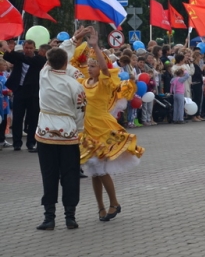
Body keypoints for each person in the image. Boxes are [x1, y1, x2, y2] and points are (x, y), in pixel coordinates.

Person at [76, 28, 145, 222]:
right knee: (93, 173)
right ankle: (100, 208)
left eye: (94, 65)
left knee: (102, 169)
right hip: (87, 129)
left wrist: (96, 46)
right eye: (89, 65)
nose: (90, 68)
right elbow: (72, 63)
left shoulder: (104, 82)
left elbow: (106, 69)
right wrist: (77, 39)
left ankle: (114, 202)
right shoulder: (83, 82)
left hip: (103, 129)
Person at [33, 47, 86, 230]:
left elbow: (55, 57)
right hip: (68, 134)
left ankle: (49, 217)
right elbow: (80, 112)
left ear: (48, 62)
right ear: (66, 63)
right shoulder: (75, 85)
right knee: (70, 174)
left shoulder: (44, 76)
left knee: (49, 174)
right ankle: (70, 216)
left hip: (45, 133)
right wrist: (78, 130)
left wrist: (72, 41)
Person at [2, 39, 47, 152]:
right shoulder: (19, 57)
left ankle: (31, 142)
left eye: (31, 48)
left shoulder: (39, 59)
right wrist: (7, 49)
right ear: (23, 48)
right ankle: (17, 143)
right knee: (17, 118)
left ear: (34, 48)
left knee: (33, 118)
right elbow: (8, 57)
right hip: (19, 91)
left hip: (33, 92)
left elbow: (26, 60)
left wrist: (10, 50)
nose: (28, 50)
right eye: (26, 48)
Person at [0, 59, 11, 150]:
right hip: (1, 99)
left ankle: (2, 139)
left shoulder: (4, 75)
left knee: (4, 121)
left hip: (5, 102)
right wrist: (6, 92)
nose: (5, 66)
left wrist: (9, 91)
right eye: (3, 65)